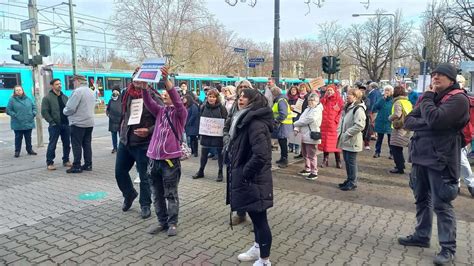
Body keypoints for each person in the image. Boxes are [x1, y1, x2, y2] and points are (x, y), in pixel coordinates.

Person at [400, 63, 469, 265]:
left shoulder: (458, 99)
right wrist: (429, 123)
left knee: (441, 204)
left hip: (441, 160)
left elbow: (436, 120)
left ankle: (448, 248)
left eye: (440, 75)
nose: (435, 77)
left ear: (451, 79)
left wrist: (429, 108)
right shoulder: (431, 97)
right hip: (420, 156)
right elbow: (409, 121)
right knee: (421, 199)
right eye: (434, 74)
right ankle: (422, 236)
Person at [227, 88, 273, 266]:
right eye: (239, 96)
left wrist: (245, 173)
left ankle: (264, 260)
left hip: (254, 179)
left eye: (245, 97)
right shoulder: (244, 118)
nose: (240, 99)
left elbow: (261, 155)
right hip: (250, 178)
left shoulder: (255, 123)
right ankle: (257, 247)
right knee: (255, 217)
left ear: (254, 100)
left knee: (260, 220)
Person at [142, 67, 187, 237]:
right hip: (154, 159)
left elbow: (176, 99)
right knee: (156, 193)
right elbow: (149, 103)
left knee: (171, 193)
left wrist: (167, 80)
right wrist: (145, 88)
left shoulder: (181, 113)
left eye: (167, 93)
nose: (165, 95)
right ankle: (162, 221)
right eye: (163, 93)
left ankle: (172, 223)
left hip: (170, 160)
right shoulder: (160, 111)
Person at [115, 68, 162, 219]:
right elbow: (124, 114)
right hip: (126, 140)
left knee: (144, 177)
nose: (136, 81)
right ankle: (129, 194)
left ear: (146, 80)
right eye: (135, 78)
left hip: (144, 143)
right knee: (119, 172)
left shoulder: (154, 96)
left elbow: (163, 119)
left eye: (140, 78)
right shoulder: (127, 93)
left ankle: (145, 204)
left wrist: (148, 130)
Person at [192, 88, 228, 182]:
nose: (211, 99)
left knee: (220, 154)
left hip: (218, 136)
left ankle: (220, 172)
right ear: (207, 97)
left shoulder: (221, 108)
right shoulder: (203, 107)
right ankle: (201, 171)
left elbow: (226, 121)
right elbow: (200, 119)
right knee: (204, 154)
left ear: (217, 98)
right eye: (209, 96)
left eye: (213, 97)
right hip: (206, 135)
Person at [63, 75, 95, 173]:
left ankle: (76, 165)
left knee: (76, 145)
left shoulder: (77, 92)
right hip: (89, 122)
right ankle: (88, 164)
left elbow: (71, 108)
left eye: (74, 82)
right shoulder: (91, 91)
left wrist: (64, 111)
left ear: (77, 81)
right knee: (87, 144)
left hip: (78, 123)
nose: (73, 84)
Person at [336, 88, 366, 191]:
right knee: (347, 161)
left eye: (350, 94)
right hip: (346, 139)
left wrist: (347, 133)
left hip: (352, 139)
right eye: (348, 94)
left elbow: (360, 125)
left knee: (351, 161)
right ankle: (349, 179)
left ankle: (353, 182)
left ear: (356, 97)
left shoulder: (358, 109)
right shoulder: (348, 108)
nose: (347, 96)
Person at [41, 79, 71, 170]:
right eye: (57, 84)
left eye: (60, 84)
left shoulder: (65, 97)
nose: (59, 85)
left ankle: (66, 160)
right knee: (52, 144)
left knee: (67, 144)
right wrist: (52, 122)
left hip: (66, 124)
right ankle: (50, 162)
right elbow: (44, 112)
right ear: (52, 86)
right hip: (55, 125)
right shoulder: (47, 98)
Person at [293, 93, 323, 180]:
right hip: (303, 134)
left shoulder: (317, 110)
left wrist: (296, 124)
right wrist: (296, 128)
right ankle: (307, 168)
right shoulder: (307, 109)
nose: (310, 102)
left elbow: (309, 120)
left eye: (312, 100)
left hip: (311, 134)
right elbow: (301, 119)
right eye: (309, 100)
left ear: (317, 101)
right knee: (305, 153)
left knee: (312, 154)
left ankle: (314, 172)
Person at [456, 74, 474, 197]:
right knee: (456, 160)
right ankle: (456, 184)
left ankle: (471, 184)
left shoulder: (466, 99)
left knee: (461, 160)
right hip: (457, 133)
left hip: (462, 134)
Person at [6, 85, 37, 158]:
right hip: (18, 122)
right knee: (18, 138)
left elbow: (34, 107)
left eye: (20, 90)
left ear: (22, 91)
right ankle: (17, 151)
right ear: (14, 92)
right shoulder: (12, 100)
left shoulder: (28, 99)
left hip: (28, 121)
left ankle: (29, 150)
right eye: (16, 90)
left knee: (28, 137)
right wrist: (15, 115)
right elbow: (8, 110)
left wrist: (34, 113)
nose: (18, 91)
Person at [387, 86, 412, 174]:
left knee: (395, 147)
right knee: (399, 147)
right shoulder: (407, 102)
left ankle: (399, 167)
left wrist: (390, 118)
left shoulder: (398, 102)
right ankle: (401, 165)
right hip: (406, 126)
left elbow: (397, 114)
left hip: (398, 127)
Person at [319, 84, 344, 168]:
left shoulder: (339, 100)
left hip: (334, 125)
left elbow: (341, 112)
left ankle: (338, 160)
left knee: (335, 144)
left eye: (331, 90)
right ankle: (325, 160)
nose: (329, 92)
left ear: (334, 91)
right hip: (324, 125)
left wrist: (336, 120)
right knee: (325, 143)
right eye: (328, 90)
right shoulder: (323, 100)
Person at [271, 87, 293, 168]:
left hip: (283, 125)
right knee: (281, 141)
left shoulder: (281, 101)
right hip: (283, 125)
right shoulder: (280, 100)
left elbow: (283, 114)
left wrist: (276, 121)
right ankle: (282, 158)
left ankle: (284, 159)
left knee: (283, 142)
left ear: (274, 93)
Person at [372, 85, 394, 158]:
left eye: (388, 90)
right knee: (379, 138)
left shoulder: (393, 100)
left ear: (391, 92)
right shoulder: (381, 99)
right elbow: (376, 107)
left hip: (389, 121)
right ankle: (377, 152)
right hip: (381, 121)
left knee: (390, 139)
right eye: (385, 90)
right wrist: (382, 99)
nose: (386, 92)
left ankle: (392, 153)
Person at [106, 86, 122, 154]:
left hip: (119, 120)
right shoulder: (111, 100)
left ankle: (120, 148)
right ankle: (115, 148)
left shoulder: (121, 99)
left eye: (116, 91)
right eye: (113, 91)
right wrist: (109, 115)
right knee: (114, 135)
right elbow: (107, 109)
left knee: (120, 135)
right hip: (113, 121)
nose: (114, 92)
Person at [287, 85, 301, 155]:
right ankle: (290, 147)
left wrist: (294, 108)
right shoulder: (287, 98)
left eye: (294, 90)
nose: (293, 91)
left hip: (297, 116)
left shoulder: (299, 99)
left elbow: (300, 109)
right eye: (292, 90)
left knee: (296, 132)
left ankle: (297, 148)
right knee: (290, 132)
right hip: (289, 117)